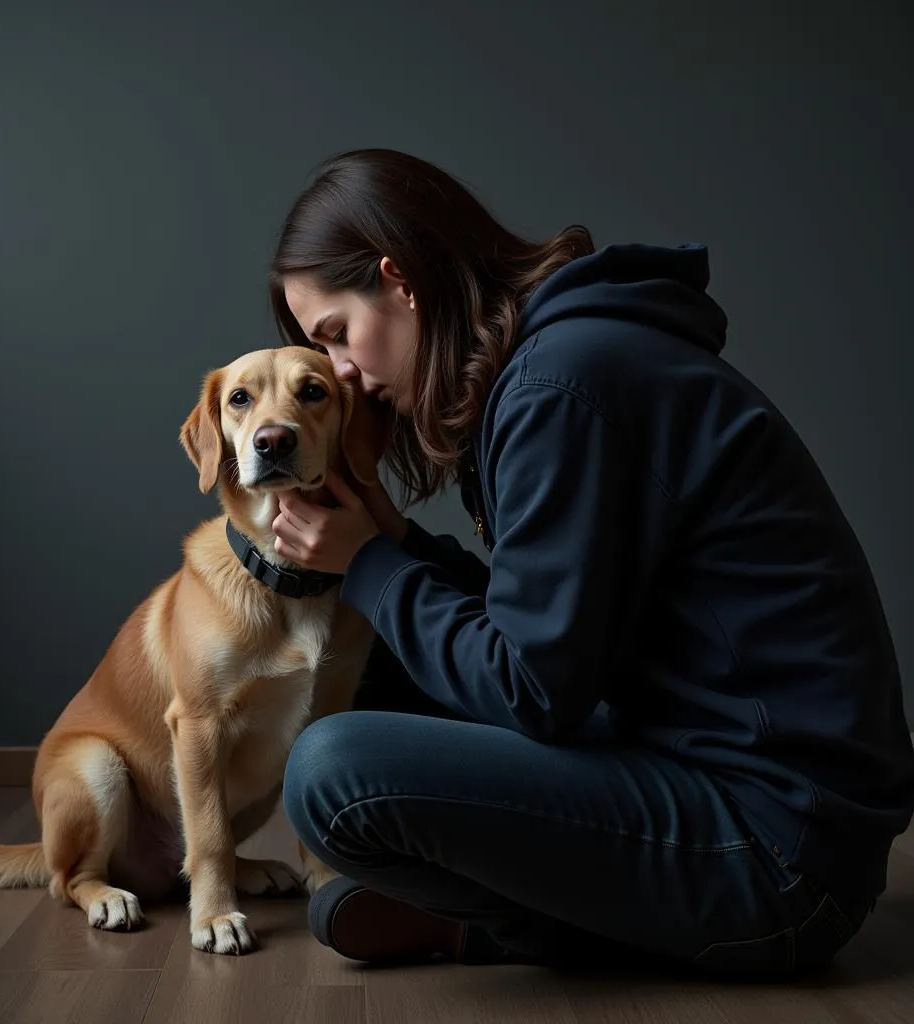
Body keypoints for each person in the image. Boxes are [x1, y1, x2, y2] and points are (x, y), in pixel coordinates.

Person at [267, 148, 914, 978]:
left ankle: (525, 931)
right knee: (389, 667)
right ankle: (538, 924)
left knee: (331, 772)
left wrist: (371, 569)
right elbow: (549, 644)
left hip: (778, 855)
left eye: (336, 335)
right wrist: (394, 551)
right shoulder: (560, 363)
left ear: (401, 280)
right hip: (701, 766)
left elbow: (535, 691)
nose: (345, 373)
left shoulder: (562, 384)